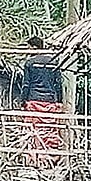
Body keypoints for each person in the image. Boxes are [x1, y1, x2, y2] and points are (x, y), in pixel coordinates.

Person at [20, 36, 64, 167]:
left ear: (34, 47)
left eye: (29, 48)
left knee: (34, 130)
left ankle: (34, 160)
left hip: (33, 100)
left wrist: (23, 100)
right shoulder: (54, 61)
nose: (28, 51)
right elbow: (58, 83)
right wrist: (59, 100)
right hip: (50, 100)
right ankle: (50, 158)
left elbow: (26, 84)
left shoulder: (29, 63)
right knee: (49, 130)